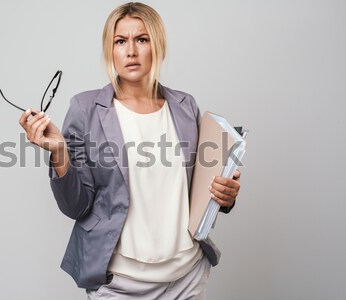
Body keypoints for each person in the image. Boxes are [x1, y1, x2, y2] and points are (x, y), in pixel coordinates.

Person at [19, 2, 241, 299]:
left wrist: (225, 196)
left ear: (157, 45)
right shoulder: (86, 109)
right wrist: (60, 152)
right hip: (120, 283)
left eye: (142, 39)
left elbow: (196, 191)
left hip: (186, 277)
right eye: (120, 41)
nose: (131, 51)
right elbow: (77, 206)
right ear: (110, 50)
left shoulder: (185, 107)